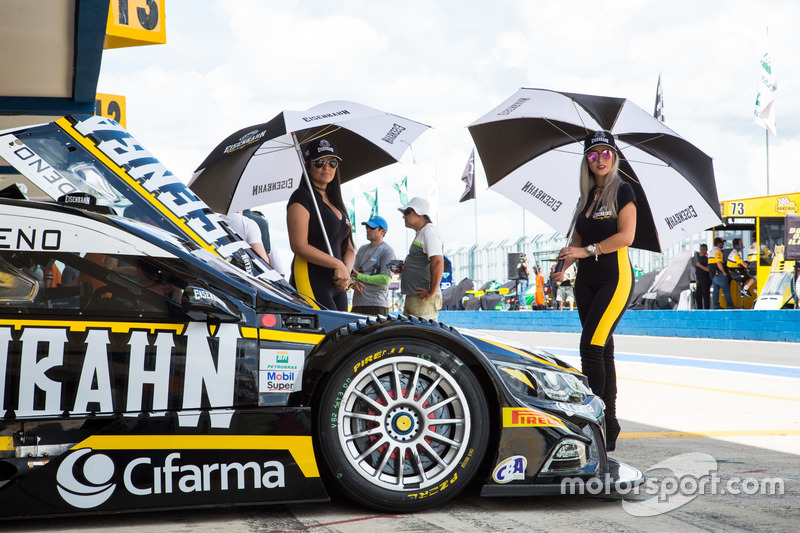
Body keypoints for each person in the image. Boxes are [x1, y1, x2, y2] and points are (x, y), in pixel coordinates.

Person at [550, 130, 636, 452]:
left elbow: (626, 236)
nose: (600, 160)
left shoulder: (623, 191)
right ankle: (609, 425)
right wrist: (563, 267)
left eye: (605, 153)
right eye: (592, 155)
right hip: (584, 283)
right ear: (586, 160)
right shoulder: (584, 199)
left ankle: (591, 421)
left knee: (590, 347)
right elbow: (576, 242)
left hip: (614, 280)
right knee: (603, 350)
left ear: (614, 157)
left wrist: (586, 251)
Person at [287, 138, 354, 311]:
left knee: (343, 334)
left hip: (337, 282)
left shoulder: (337, 202)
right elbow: (299, 245)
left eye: (332, 162)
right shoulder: (301, 197)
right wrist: (337, 265)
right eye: (319, 162)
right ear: (307, 165)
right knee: (323, 334)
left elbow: (350, 248)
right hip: (310, 275)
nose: (327, 167)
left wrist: (345, 271)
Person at [396, 197, 443, 320]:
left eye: (407, 212)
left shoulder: (429, 231)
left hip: (422, 300)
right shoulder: (423, 232)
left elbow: (438, 262)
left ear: (420, 214)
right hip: (416, 297)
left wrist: (431, 292)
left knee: (422, 336)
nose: (403, 217)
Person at [350, 216, 396, 316]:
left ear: (383, 231)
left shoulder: (387, 251)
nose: (368, 230)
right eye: (366, 227)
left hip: (377, 305)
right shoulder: (362, 249)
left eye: (372, 228)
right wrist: (353, 283)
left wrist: (359, 276)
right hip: (358, 303)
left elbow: (385, 279)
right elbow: (352, 273)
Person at [709, 236, 733, 309]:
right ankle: (729, 305)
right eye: (722, 243)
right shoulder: (718, 252)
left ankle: (716, 306)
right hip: (719, 274)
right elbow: (718, 263)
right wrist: (724, 272)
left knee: (715, 291)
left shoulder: (711, 251)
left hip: (713, 275)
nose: (723, 245)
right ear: (719, 244)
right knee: (726, 290)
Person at [694, 243, 712, 309]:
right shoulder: (699, 259)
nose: (701, 251)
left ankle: (707, 309)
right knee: (698, 296)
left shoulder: (707, 259)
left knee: (705, 296)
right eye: (701, 249)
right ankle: (700, 309)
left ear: (706, 250)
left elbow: (708, 269)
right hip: (699, 280)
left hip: (705, 280)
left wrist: (700, 266)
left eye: (703, 249)